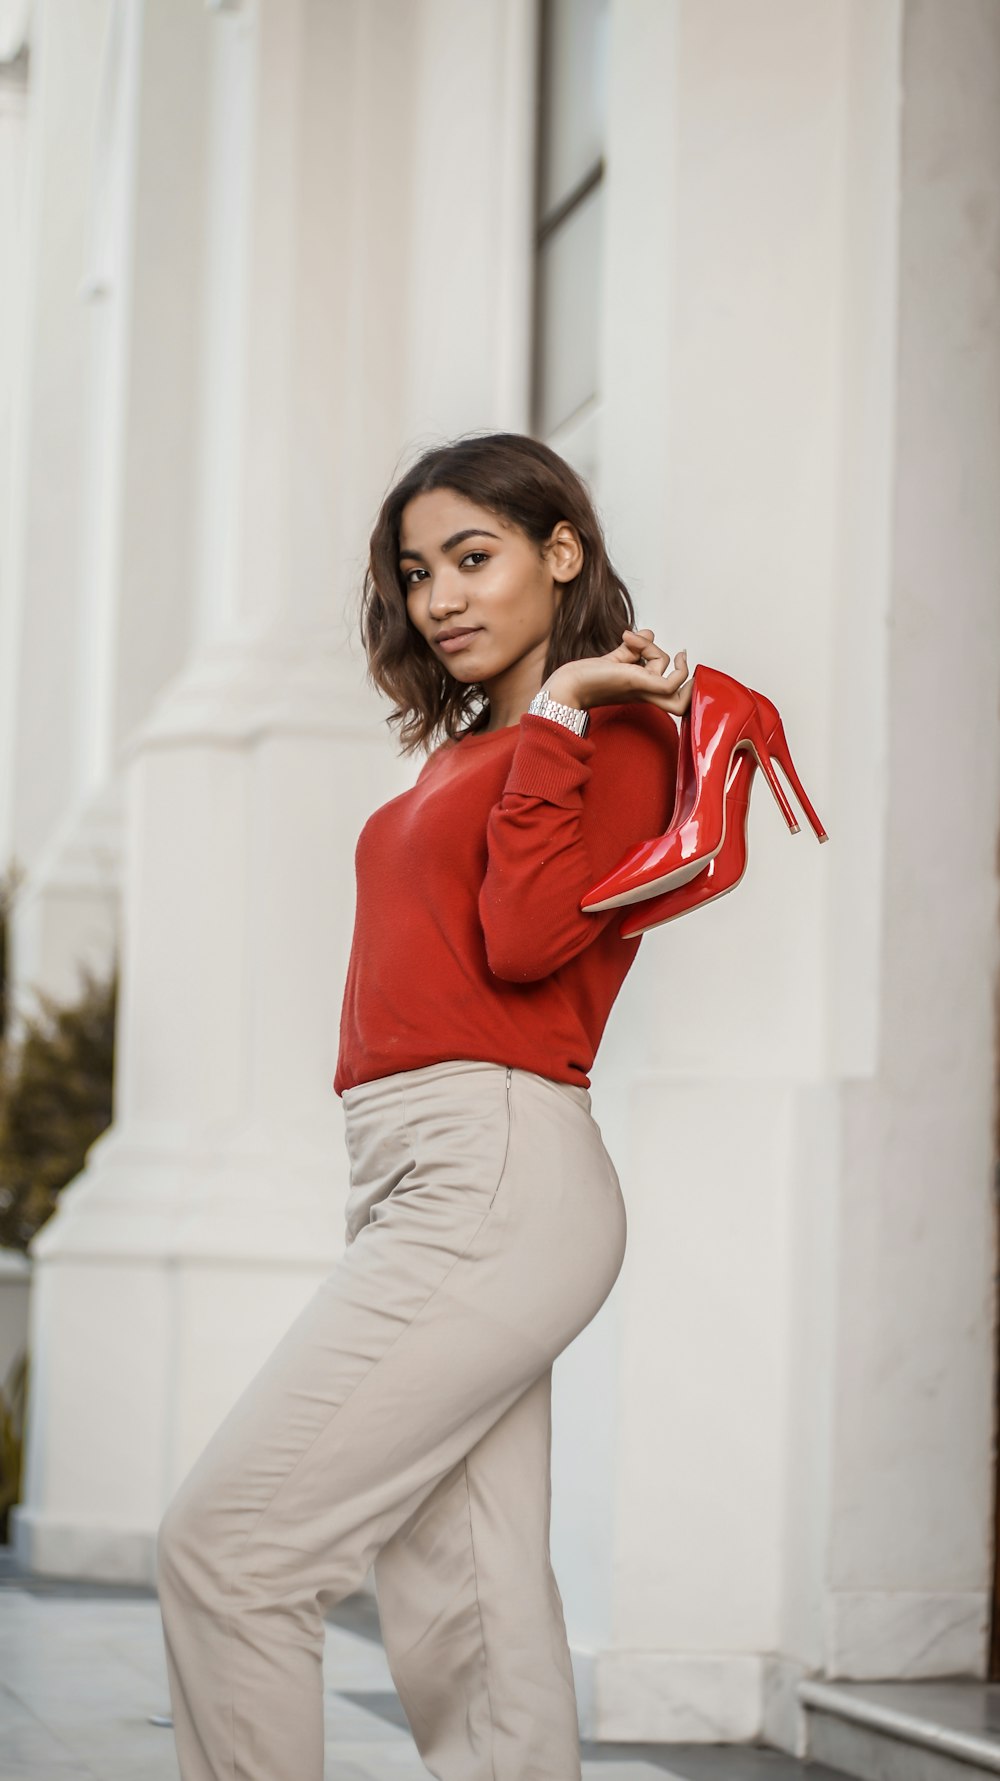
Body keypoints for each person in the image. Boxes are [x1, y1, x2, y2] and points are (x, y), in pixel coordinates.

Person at [155, 430, 693, 1781]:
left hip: (496, 1164)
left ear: (560, 551)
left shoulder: (611, 732)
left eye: (473, 556)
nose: (438, 596)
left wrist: (569, 707)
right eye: (415, 571)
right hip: (419, 1167)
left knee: (231, 1548)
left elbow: (524, 940)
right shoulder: (478, 749)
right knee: (473, 1613)